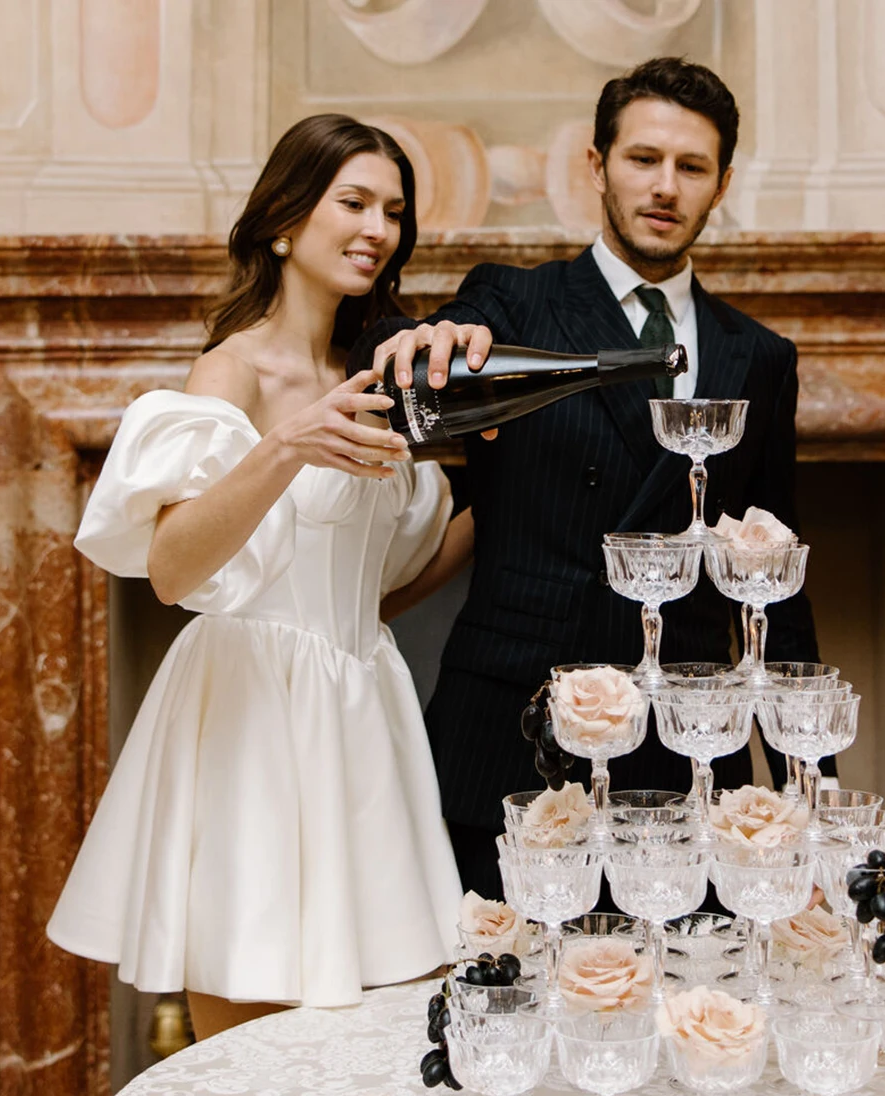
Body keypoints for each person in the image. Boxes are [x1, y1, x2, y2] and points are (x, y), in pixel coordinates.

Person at [350, 58, 826, 900]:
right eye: (643, 159)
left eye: (691, 166)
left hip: (675, 750)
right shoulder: (512, 304)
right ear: (598, 166)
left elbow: (774, 589)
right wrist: (422, 344)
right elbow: (423, 359)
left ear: (721, 185)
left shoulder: (761, 356)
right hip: (509, 730)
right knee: (491, 1010)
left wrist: (806, 793)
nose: (665, 186)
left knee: (664, 1007)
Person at [47, 114, 465, 1040]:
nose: (377, 229)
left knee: (389, 1035)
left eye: (394, 211)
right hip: (252, 724)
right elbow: (169, 566)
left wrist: (510, 497)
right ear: (284, 222)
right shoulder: (228, 375)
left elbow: (389, 578)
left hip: (363, 714)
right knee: (246, 1045)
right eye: (352, 202)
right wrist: (286, 445)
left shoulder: (383, 376)